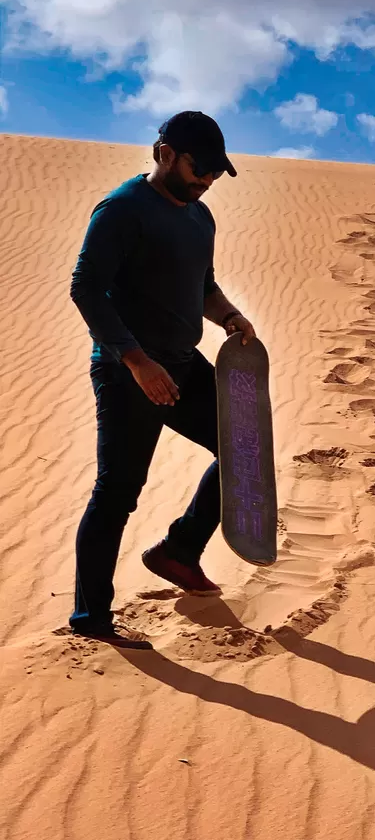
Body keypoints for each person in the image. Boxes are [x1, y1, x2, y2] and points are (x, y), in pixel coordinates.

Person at [68, 112, 256, 649]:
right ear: (165, 153)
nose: (207, 182)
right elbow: (86, 289)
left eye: (217, 173)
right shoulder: (123, 210)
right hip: (128, 371)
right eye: (201, 169)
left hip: (181, 361)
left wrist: (228, 316)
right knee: (118, 492)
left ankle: (177, 551)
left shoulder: (200, 218)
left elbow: (204, 286)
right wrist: (136, 361)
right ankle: (90, 619)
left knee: (240, 452)